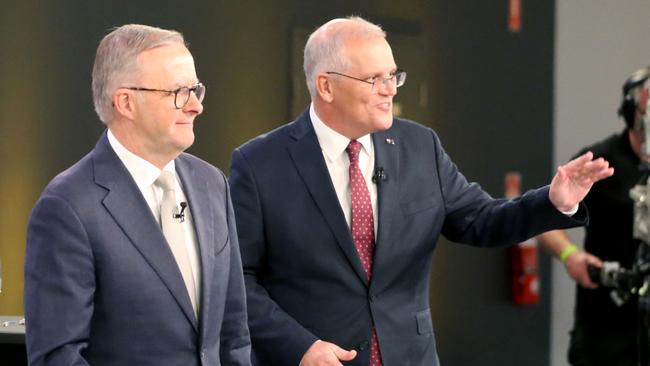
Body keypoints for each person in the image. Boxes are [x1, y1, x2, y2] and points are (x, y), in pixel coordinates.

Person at [228, 16, 613, 366]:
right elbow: (237, 279)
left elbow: (481, 220)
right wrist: (300, 347)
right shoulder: (260, 164)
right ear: (326, 86)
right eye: (374, 79)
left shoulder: (419, 145)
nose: (389, 91)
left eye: (393, 76)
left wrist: (554, 201)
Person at [24, 24, 251, 366]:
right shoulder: (68, 207)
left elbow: (234, 336)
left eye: (196, 90)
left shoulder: (211, 184)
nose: (195, 107)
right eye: (178, 92)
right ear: (126, 102)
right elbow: (59, 357)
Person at [537, 66, 650, 366]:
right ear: (632, 111)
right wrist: (571, 255)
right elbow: (544, 223)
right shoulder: (600, 163)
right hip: (605, 332)